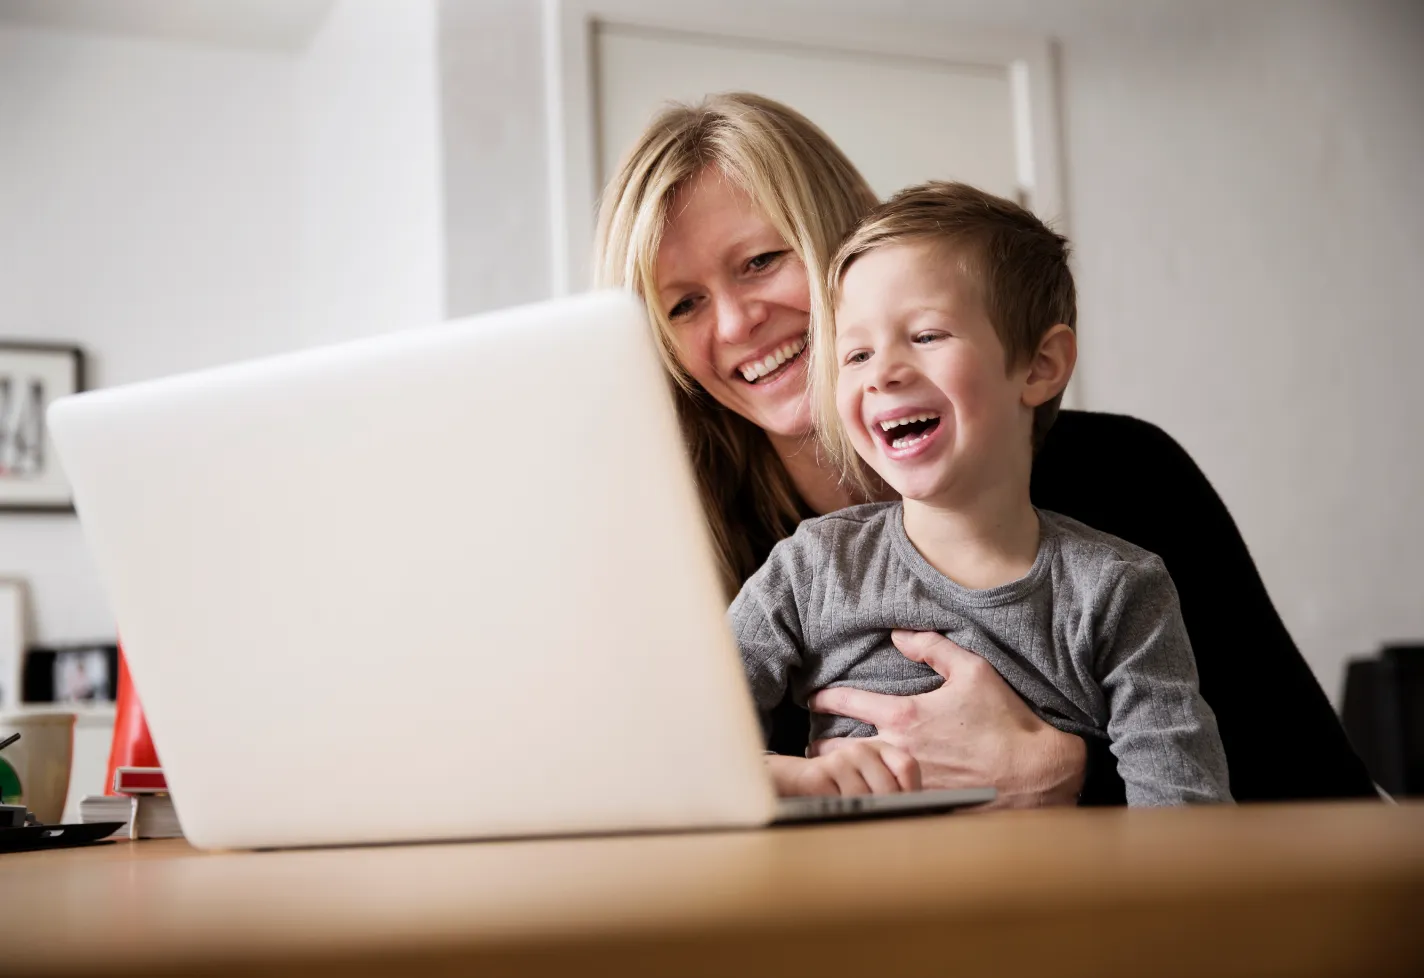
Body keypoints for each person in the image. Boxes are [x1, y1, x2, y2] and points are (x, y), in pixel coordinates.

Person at [594, 92, 1375, 806]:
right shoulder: (693, 560)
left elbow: (1310, 787)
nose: (734, 325)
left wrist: (1064, 775)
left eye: (762, 261)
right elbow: (659, 789)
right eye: (684, 304)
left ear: (853, 247)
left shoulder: (1130, 491)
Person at [732, 181, 1231, 805]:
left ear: (1040, 366)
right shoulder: (809, 569)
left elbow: (1188, 823)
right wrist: (792, 777)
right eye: (855, 353)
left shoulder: (1122, 591)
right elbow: (685, 750)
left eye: (926, 336)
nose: (883, 371)